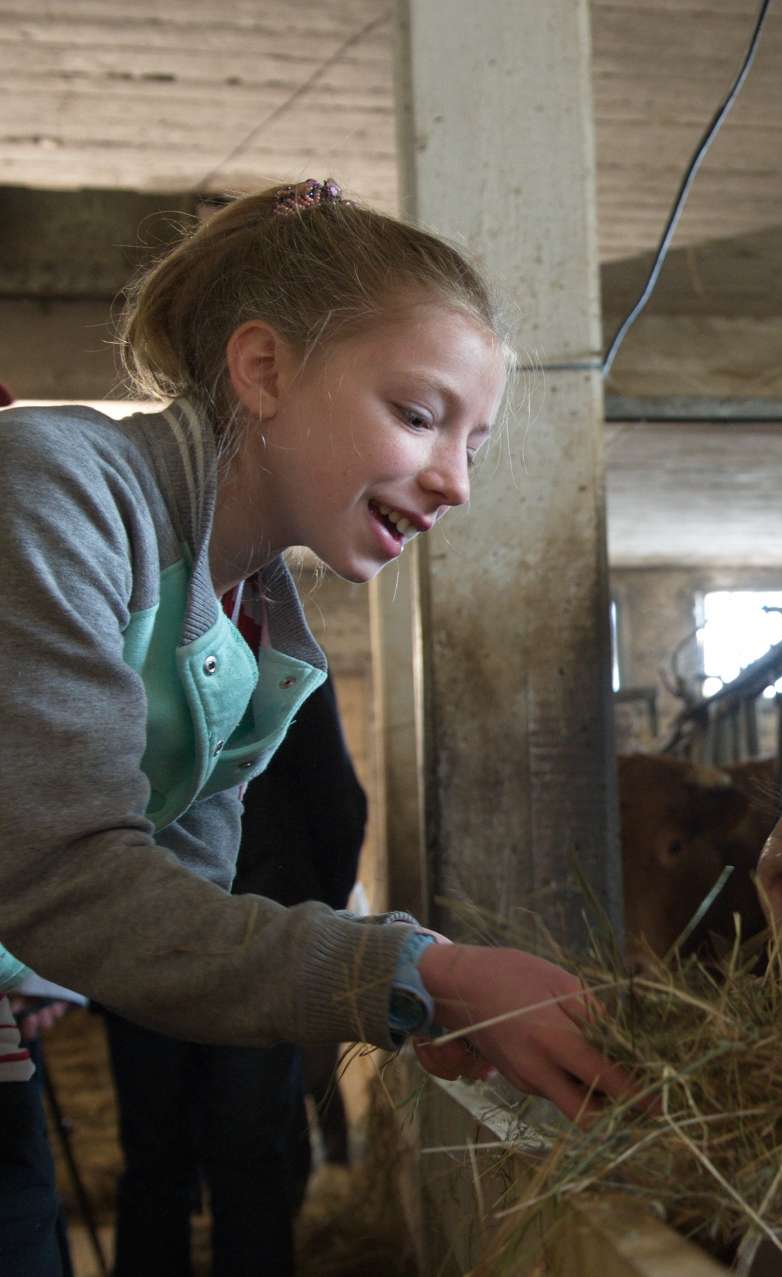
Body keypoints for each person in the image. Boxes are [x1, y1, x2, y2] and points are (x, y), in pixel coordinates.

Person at [0, 178, 631, 1277]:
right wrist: (424, 971)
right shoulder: (57, 487)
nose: (456, 481)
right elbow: (70, 869)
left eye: (474, 443)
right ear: (265, 368)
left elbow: (168, 918)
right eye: (420, 413)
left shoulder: (259, 649)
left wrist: (29, 975)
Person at [101, 678, 367, 1277]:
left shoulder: (130, 636)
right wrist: (306, 922)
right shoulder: (277, 651)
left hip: (143, 941)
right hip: (255, 939)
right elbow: (339, 806)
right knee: (250, 1161)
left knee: (154, 1161)